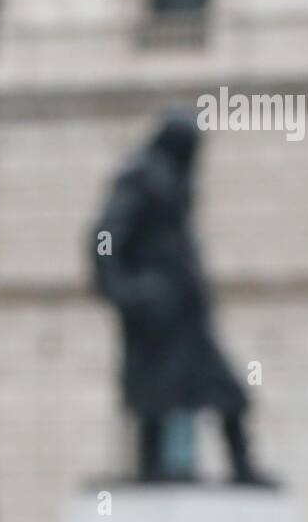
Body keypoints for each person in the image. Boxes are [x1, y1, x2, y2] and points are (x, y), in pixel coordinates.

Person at [92, 110, 276, 486]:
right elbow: (105, 236)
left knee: (225, 392)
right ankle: (152, 468)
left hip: (184, 307)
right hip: (157, 304)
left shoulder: (169, 180)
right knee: (155, 393)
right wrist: (122, 288)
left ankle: (240, 467)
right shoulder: (141, 179)